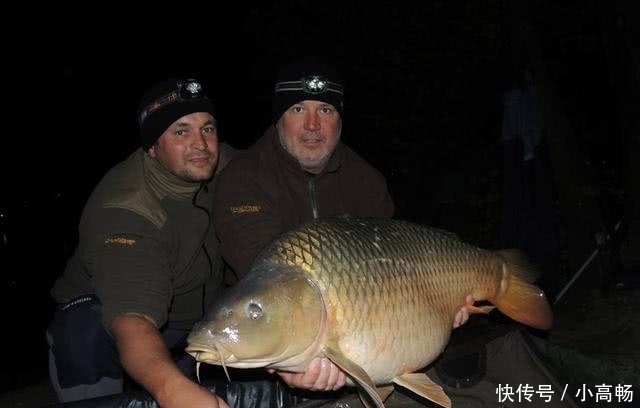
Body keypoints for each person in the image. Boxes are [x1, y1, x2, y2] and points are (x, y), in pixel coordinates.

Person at [47, 77, 344, 408]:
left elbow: (284, 162)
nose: (200, 144)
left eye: (208, 128)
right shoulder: (127, 209)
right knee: (83, 331)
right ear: (152, 146)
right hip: (123, 323)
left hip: (203, 318)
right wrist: (173, 392)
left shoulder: (232, 168)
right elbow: (134, 321)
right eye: (180, 131)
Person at [213, 58, 395, 280]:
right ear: (279, 119)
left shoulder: (367, 182)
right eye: (298, 109)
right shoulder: (242, 179)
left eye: (325, 110)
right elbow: (267, 275)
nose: (312, 125)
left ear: (340, 120)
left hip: (364, 307)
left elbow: (388, 267)